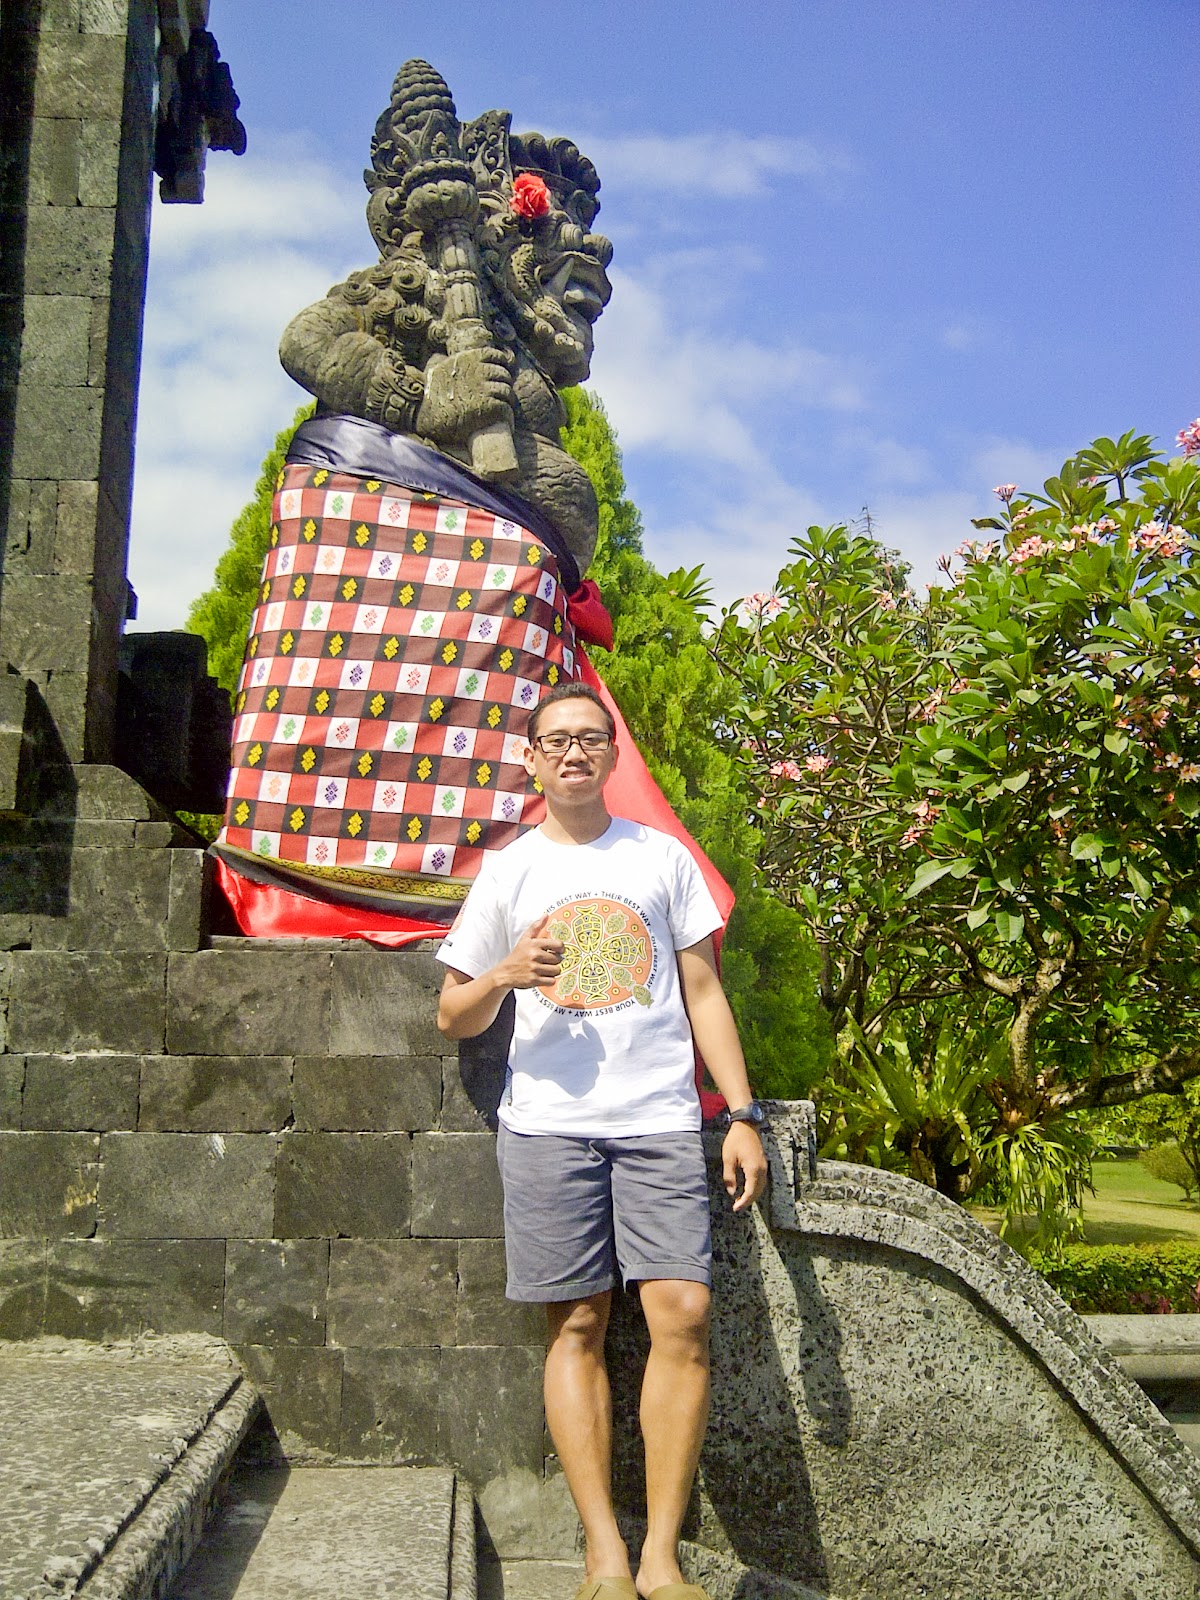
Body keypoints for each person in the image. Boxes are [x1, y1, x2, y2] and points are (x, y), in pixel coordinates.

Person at [436, 681, 769, 1600]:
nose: (575, 752)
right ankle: (604, 1556)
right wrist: (505, 972)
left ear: (613, 755)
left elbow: (703, 992)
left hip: (659, 1119)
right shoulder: (509, 872)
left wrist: (741, 1115)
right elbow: (453, 1015)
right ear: (532, 760)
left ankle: (661, 1556)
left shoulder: (661, 858)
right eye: (558, 740)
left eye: (592, 738)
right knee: (577, 1323)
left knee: (683, 1316)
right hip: (549, 1128)